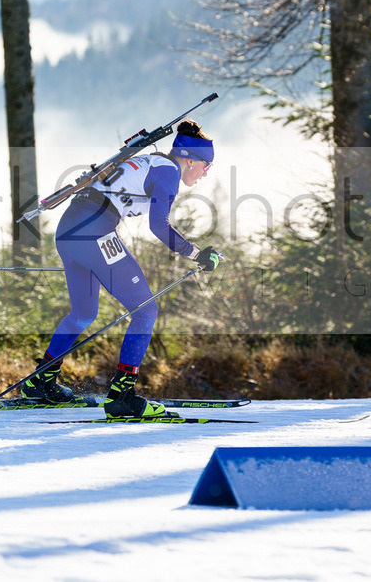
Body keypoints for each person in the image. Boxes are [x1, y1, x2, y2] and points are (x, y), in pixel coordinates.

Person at [21, 120, 222, 418]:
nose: (206, 173)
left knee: (83, 313)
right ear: (191, 159)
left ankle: (40, 382)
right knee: (145, 311)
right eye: (206, 166)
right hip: (94, 231)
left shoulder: (150, 161)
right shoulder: (169, 172)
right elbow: (159, 225)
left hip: (68, 230)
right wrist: (196, 253)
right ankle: (121, 396)